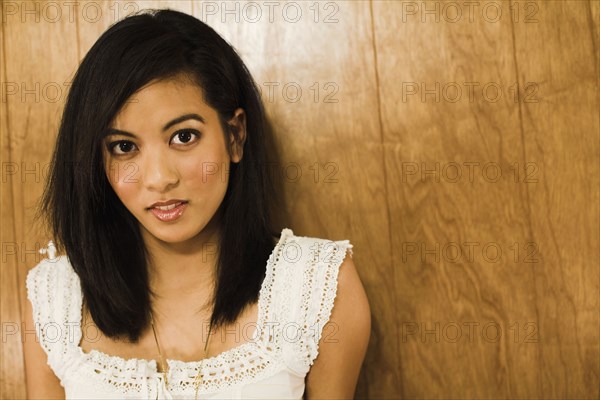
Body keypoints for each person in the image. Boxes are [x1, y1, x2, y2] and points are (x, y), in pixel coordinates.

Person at [23, 8, 371, 400]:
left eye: (183, 137)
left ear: (235, 136)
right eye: (124, 147)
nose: (158, 177)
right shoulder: (55, 299)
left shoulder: (318, 285)